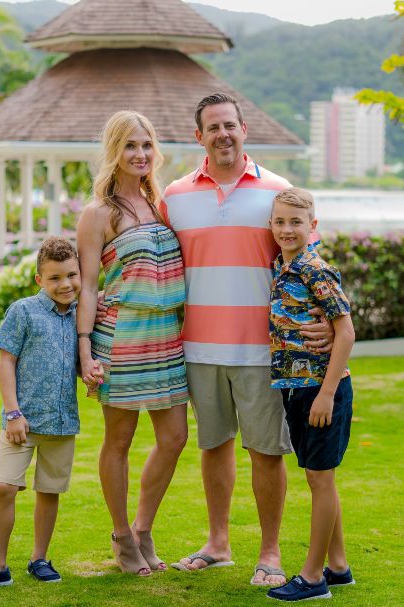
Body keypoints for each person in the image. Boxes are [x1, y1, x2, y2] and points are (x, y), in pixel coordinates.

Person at [158, 93, 333, 583]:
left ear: (244, 129)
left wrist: (325, 319)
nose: (223, 134)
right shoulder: (173, 196)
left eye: (229, 125)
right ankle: (218, 544)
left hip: (263, 348)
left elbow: (309, 263)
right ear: (199, 137)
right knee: (213, 446)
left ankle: (271, 553)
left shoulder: (277, 192)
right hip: (197, 347)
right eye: (212, 127)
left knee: (266, 451)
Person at [76, 110, 188, 576]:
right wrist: (85, 349)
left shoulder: (162, 205)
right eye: (130, 146)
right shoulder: (98, 214)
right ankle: (122, 534)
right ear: (114, 152)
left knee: (175, 437)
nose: (140, 154)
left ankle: (143, 528)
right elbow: (86, 285)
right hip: (120, 337)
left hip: (167, 337)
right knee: (119, 439)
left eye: (146, 145)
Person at [0, 237, 82, 591]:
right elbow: (5, 361)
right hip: (21, 421)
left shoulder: (81, 315)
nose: (65, 284)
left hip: (62, 421)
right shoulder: (23, 311)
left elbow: (76, 360)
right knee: (3, 487)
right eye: (55, 277)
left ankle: (39, 559)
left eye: (71, 275)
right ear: (39, 279)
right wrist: (13, 413)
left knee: (49, 490)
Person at [266, 188, 355, 601]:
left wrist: (327, 393)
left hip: (321, 389)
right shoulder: (280, 268)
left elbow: (346, 331)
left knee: (320, 479)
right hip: (294, 388)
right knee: (318, 477)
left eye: (296, 222)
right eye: (280, 221)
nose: (287, 229)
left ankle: (314, 578)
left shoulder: (315, 270)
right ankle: (338, 566)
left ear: (312, 227)